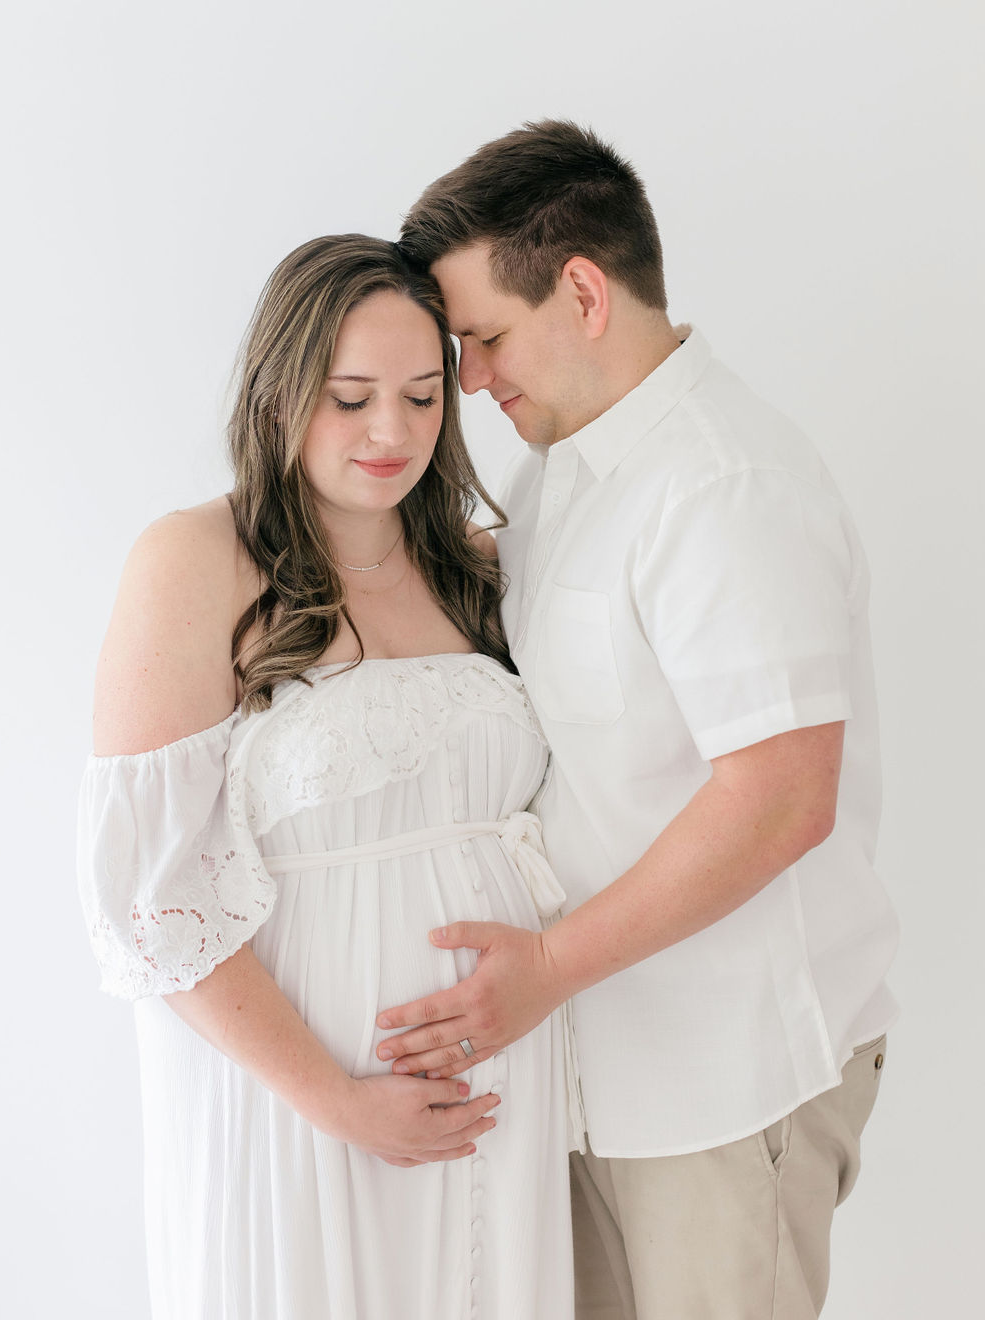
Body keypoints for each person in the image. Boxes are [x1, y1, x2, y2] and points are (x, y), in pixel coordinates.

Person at [382, 121, 900, 1319]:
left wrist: (548, 968)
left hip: (727, 1082)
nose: (469, 379)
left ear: (581, 290)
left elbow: (778, 800)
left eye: (483, 338)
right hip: (604, 1071)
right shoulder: (569, 462)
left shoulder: (724, 487)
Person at [77, 234, 579, 1320]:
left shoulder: (476, 567)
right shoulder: (195, 558)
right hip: (297, 1097)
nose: (391, 432)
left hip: (496, 1081)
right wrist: (339, 1101)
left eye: (418, 395)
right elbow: (149, 901)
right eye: (350, 399)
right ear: (279, 394)